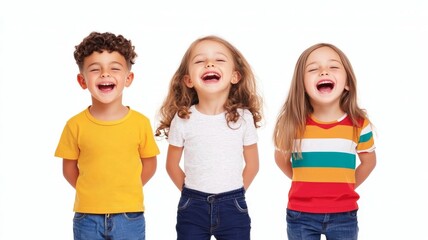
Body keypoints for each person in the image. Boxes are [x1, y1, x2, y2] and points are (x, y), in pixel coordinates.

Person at [155, 35, 263, 240]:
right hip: (192, 207)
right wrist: (191, 195)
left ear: (235, 76)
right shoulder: (183, 118)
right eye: (199, 61)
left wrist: (235, 194)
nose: (209, 63)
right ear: (188, 79)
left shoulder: (243, 118)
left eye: (219, 60)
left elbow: (253, 165)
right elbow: (171, 165)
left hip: (234, 205)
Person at [55, 31, 160, 240]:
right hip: (87, 217)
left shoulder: (140, 122)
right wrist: (93, 191)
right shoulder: (74, 125)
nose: (105, 74)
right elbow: (69, 169)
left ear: (128, 78)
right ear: (82, 80)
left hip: (129, 216)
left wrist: (126, 188)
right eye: (95, 69)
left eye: (114, 68)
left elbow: (149, 164)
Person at [273, 43, 377, 240]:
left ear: (347, 83)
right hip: (300, 215)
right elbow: (280, 159)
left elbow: (369, 161)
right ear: (302, 85)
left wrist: (345, 186)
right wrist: (305, 181)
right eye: (313, 69)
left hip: (344, 215)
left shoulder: (359, 124)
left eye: (333, 67)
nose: (323, 72)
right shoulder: (291, 124)